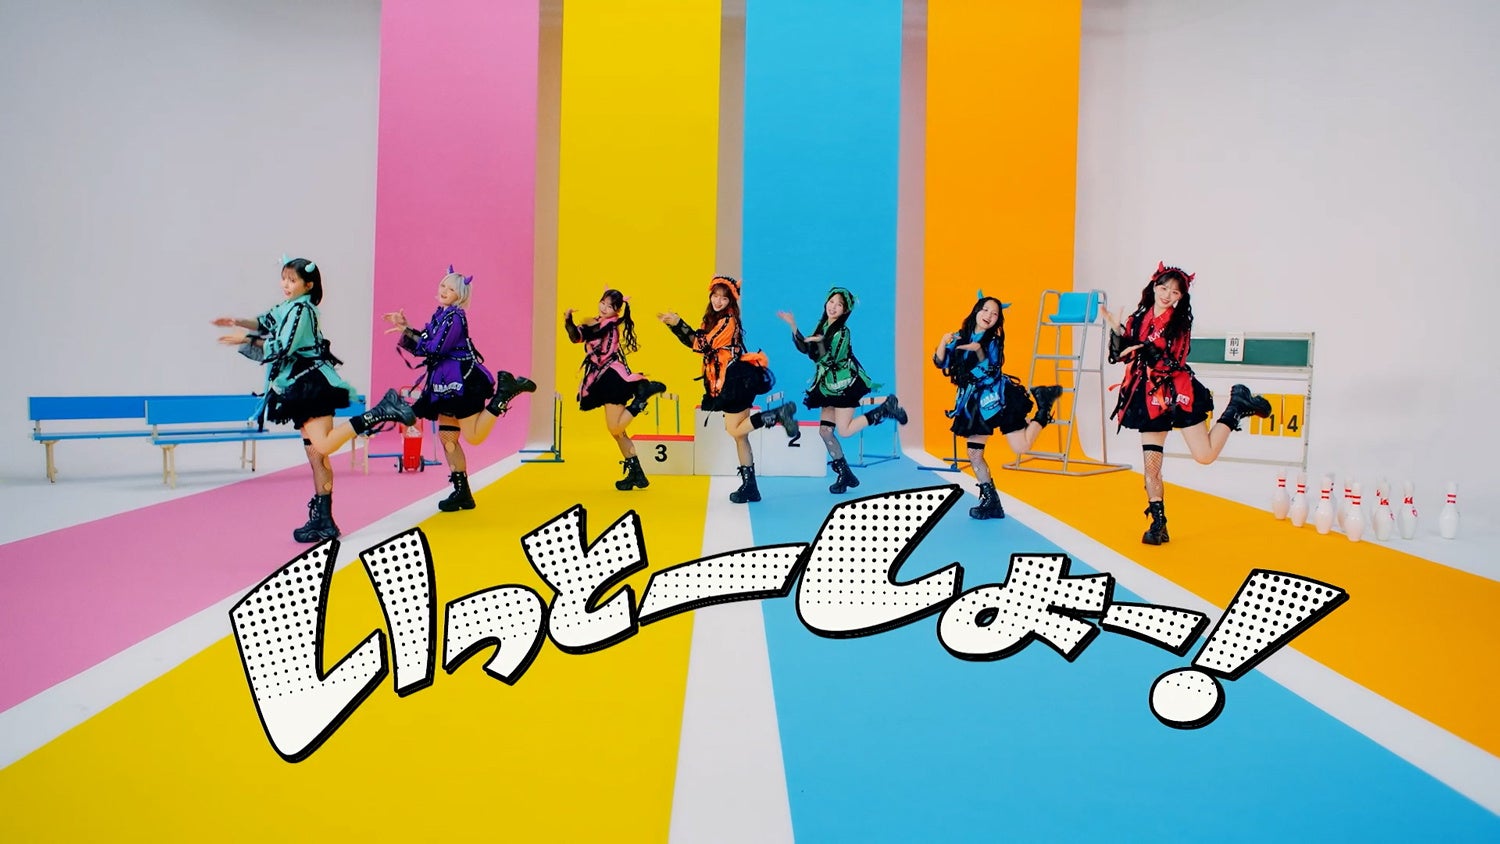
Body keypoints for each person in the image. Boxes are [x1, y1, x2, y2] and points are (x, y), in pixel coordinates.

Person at [216, 256, 415, 542]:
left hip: (311, 382)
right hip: (296, 383)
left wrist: (245, 340)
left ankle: (381, 411)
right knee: (316, 454)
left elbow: (283, 347)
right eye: (284, 278)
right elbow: (265, 321)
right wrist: (238, 322)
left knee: (322, 445)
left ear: (308, 285)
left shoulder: (303, 310)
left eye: (292, 280)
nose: (285, 284)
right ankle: (324, 520)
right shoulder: (287, 307)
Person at [1102, 262, 1272, 544]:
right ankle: (1159, 523)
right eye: (1163, 288)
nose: (1167, 295)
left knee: (1204, 456)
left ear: (1181, 297)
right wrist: (1117, 333)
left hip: (1177, 394)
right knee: (1151, 467)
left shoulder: (1179, 323)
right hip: (1148, 399)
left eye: (1175, 292)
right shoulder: (1137, 318)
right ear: (1154, 287)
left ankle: (1236, 407)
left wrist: (1147, 352)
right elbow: (1123, 355)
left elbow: (1175, 361)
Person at [382, 265, 536, 512]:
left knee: (473, 436)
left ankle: (503, 395)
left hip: (460, 381)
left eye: (451, 289)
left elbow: (435, 349)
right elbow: (430, 341)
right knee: (448, 438)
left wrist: (409, 334)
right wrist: (406, 328)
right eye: (443, 285)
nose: (444, 290)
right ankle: (462, 492)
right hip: (444, 381)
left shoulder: (455, 317)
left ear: (460, 295)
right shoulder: (442, 314)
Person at [658, 276, 799, 503]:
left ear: (730, 301)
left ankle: (776, 415)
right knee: (739, 436)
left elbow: (702, 345)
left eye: (724, 298)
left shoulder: (728, 321)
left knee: (734, 431)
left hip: (734, 379)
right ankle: (751, 487)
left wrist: (677, 323)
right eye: (715, 296)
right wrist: (676, 325)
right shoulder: (711, 319)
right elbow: (697, 340)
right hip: (729, 378)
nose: (718, 301)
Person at [933, 295, 1062, 519]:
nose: (989, 316)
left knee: (1020, 447)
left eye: (994, 314)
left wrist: (973, 351)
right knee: (974, 453)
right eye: (985, 310)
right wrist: (944, 342)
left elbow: (989, 368)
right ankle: (991, 502)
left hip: (998, 399)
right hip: (973, 404)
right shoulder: (959, 336)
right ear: (976, 311)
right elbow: (941, 362)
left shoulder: (992, 341)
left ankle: (1043, 408)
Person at [776, 287, 907, 495]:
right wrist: (793, 326)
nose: (833, 307)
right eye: (831, 302)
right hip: (827, 385)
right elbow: (807, 350)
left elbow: (830, 359)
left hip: (844, 385)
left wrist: (818, 343)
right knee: (825, 431)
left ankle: (884, 409)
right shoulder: (823, 326)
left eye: (839, 304)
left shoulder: (843, 332)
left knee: (844, 431)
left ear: (845, 310)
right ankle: (845, 474)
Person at [564, 289, 665, 490]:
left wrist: (584, 325)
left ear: (616, 310)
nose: (604, 308)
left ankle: (641, 399)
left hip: (611, 377)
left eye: (610, 306)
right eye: (603, 302)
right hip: (600, 378)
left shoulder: (609, 326)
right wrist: (569, 320)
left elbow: (596, 338)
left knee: (615, 428)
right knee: (618, 433)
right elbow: (577, 337)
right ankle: (637, 474)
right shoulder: (597, 322)